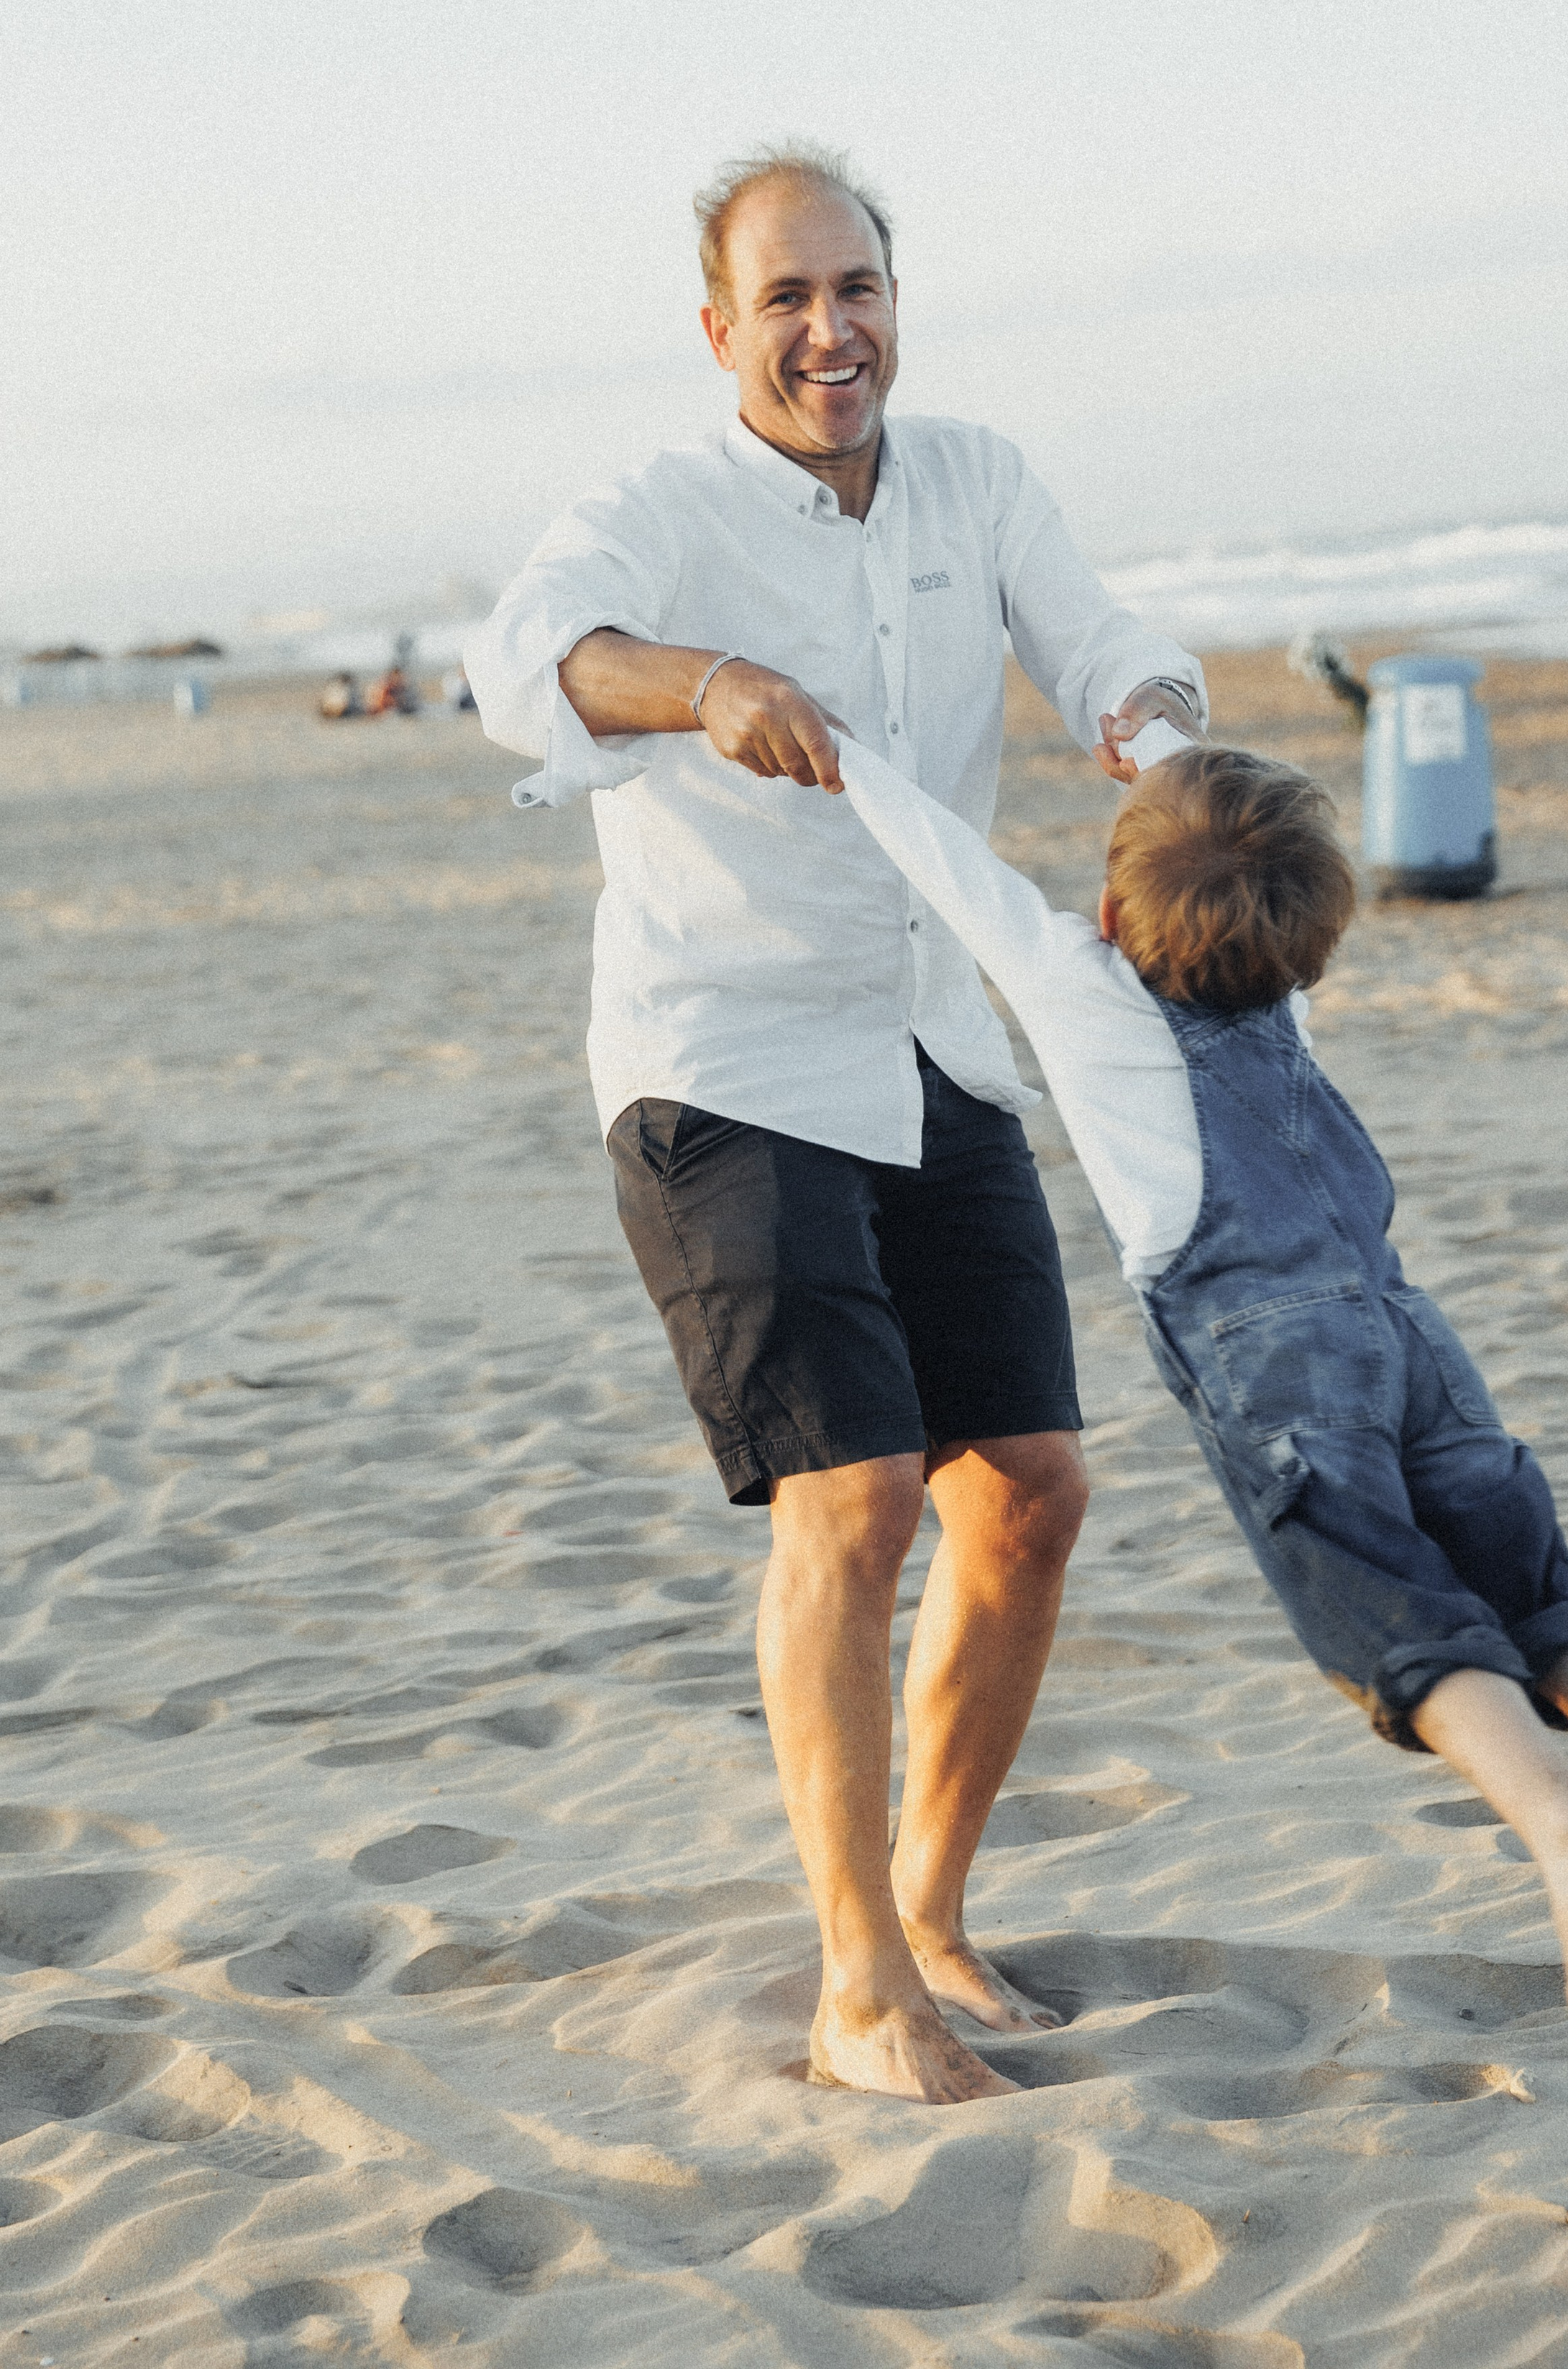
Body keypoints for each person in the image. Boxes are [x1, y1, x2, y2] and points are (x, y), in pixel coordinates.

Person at [464, 143, 1208, 2103]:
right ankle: (857, 1990)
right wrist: (702, 685)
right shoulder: (659, 509)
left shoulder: (978, 482)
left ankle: (931, 1907)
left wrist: (1154, 741)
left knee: (1031, 1488)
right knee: (858, 1498)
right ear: (722, 331)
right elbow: (522, 663)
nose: (829, 328)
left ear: (897, 299)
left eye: (855, 288)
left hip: (933, 1043)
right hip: (722, 1066)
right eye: (785, 299)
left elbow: (1103, 648)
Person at [820, 725, 1568, 2048]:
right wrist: (1170, 739)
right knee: (1536, 1587)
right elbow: (1247, 852)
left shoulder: (1084, 982)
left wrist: (835, 750)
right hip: (1410, 1332)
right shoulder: (1285, 998)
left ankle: (1566, 1827)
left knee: (1391, 1613)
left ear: (1112, 913)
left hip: (1273, 1357)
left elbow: (955, 870)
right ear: (1310, 929)